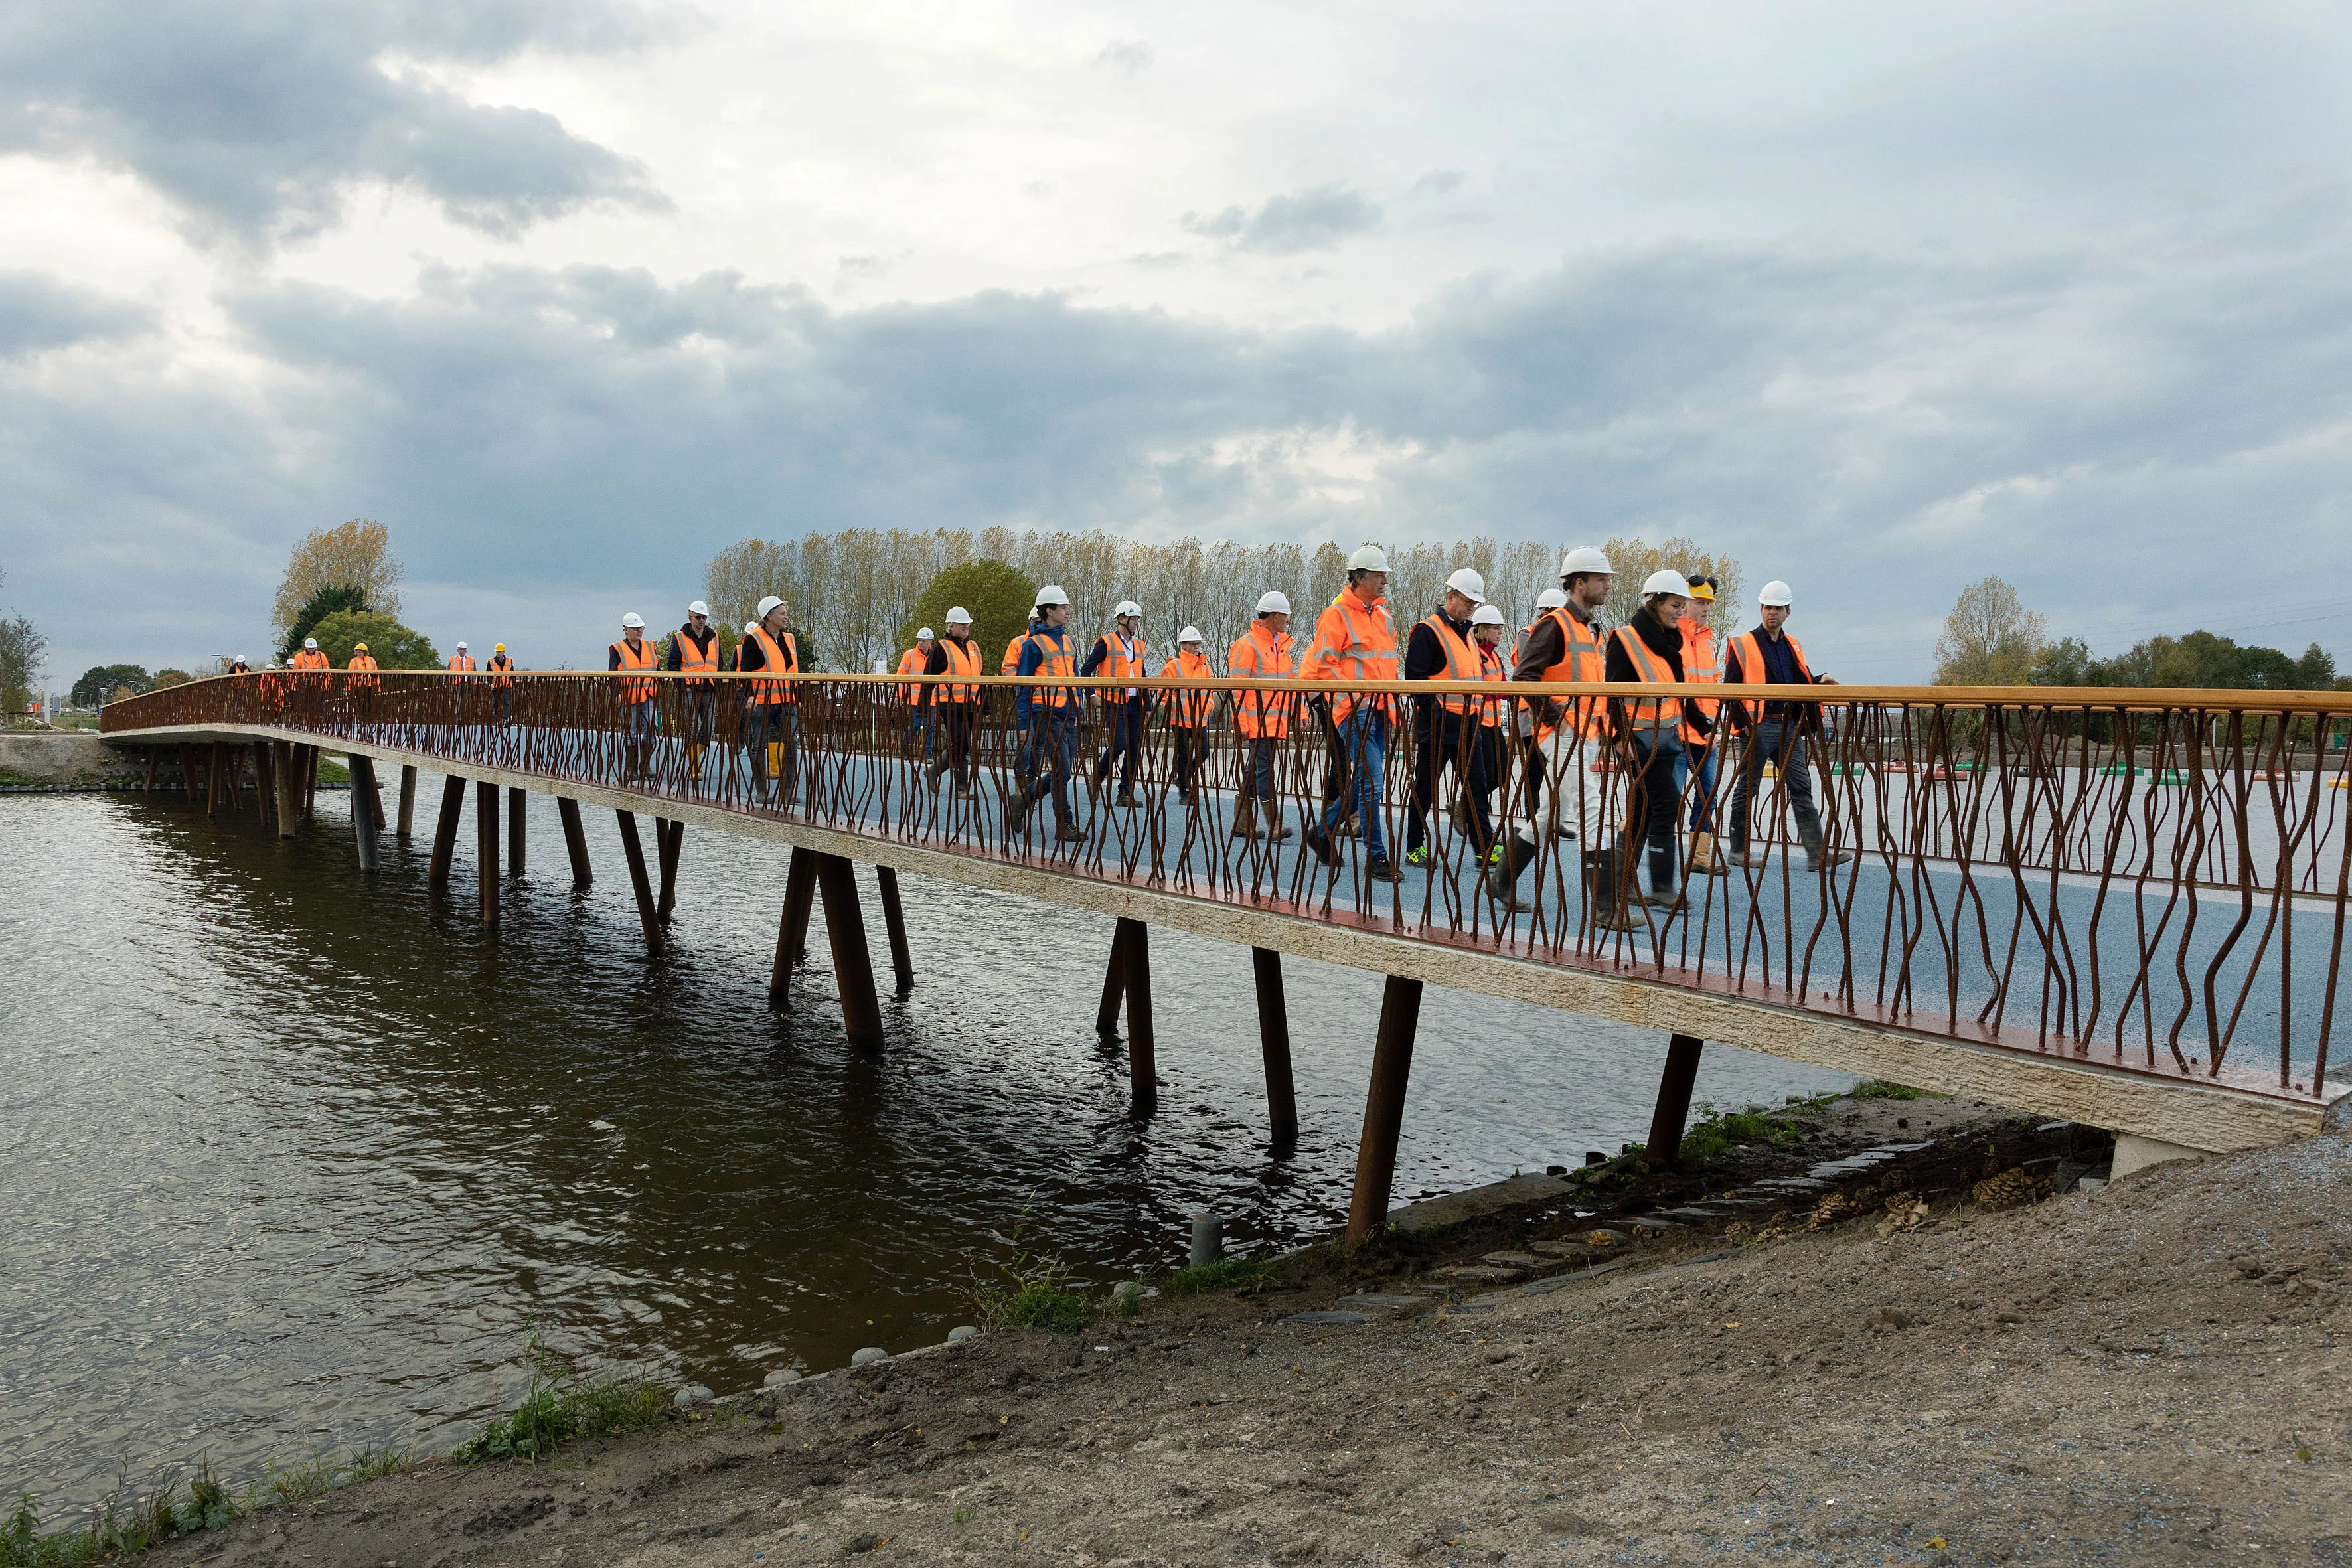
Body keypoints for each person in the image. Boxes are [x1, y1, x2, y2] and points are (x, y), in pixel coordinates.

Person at [1721, 580, 1853, 873]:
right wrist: (1741, 726)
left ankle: (1817, 855)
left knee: (1802, 787)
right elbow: (1730, 690)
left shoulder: (1792, 645)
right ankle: (1738, 852)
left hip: (1789, 728)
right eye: (1768, 607)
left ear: (1787, 612)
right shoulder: (1742, 644)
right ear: (1761, 609)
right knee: (1747, 789)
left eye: (1778, 608)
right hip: (1757, 727)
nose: (1772, 613)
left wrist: (1819, 680)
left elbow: (1798, 683)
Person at [1606, 570, 1712, 916]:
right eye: (1675, 605)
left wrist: (1704, 726)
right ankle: (1663, 889)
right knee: (1666, 803)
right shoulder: (1626, 639)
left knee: (1644, 811)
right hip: (1636, 742)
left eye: (1684, 606)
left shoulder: (1670, 645)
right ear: (1655, 602)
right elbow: (1613, 697)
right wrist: (1618, 739)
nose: (1680, 612)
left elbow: (1680, 696)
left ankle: (1624, 885)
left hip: (1666, 741)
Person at [1299, 544, 1401, 882]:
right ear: (1359, 578)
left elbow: (1387, 665)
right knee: (1373, 782)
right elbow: (1323, 665)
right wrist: (1355, 698)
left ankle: (1322, 830)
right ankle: (1377, 856)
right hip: (1354, 710)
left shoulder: (1384, 616)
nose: (1386, 580)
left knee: (1363, 782)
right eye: (1379, 574)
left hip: (1382, 709)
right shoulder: (1336, 614)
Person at [1510, 548, 1614, 848]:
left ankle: (1503, 881)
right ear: (1580, 584)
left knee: (1550, 813)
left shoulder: (1588, 627)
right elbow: (1524, 678)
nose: (1608, 585)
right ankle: (1602, 892)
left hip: (1583, 732)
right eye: (1602, 579)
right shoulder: (1554, 625)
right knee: (1590, 805)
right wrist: (1559, 722)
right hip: (1564, 732)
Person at [1401, 567, 1496, 871]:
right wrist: (1433, 717)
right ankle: (1415, 848)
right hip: (1439, 727)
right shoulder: (1427, 631)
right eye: (1467, 600)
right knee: (1425, 790)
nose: (1471, 607)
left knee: (1477, 789)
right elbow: (1417, 681)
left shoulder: (1467, 633)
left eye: (1474, 603)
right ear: (1451, 596)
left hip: (1469, 725)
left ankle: (1484, 848)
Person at [1008, 585, 1086, 843]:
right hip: (1046, 714)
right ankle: (1066, 824)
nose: (1068, 612)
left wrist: (1079, 711)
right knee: (1062, 770)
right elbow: (1022, 686)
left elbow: (1074, 678)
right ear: (1049, 611)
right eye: (1063, 608)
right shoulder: (1032, 645)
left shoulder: (1069, 642)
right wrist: (1022, 723)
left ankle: (1025, 798)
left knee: (1064, 772)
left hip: (1068, 715)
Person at [1226, 591, 1296, 842]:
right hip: (1258, 723)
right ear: (1275, 616)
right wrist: (1242, 723)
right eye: (1285, 616)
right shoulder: (1247, 644)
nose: (1288, 621)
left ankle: (1241, 823)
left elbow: (1290, 684)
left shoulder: (1280, 647)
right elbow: (1238, 688)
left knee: (1254, 772)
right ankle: (1274, 824)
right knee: (1264, 771)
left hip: (1275, 722)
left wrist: (1302, 712)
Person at [1676, 576, 1727, 874]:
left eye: (1709, 602)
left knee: (1708, 793)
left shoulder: (1707, 640)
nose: (1706, 608)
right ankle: (1628, 837)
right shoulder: (1672, 637)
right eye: (1700, 602)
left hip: (1705, 733)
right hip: (1677, 730)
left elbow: (1713, 686)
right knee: (1666, 796)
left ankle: (1699, 857)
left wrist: (1713, 724)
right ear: (1684, 605)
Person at [1082, 601, 1148, 808]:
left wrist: (1147, 706)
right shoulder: (1106, 643)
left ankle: (1124, 793)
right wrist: (1092, 695)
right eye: (1134, 619)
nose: (1137, 623)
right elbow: (1086, 670)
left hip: (1135, 704)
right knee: (1119, 744)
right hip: (1113, 703)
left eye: (1138, 619)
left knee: (1134, 748)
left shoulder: (1139, 645)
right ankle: (1098, 776)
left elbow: (1143, 676)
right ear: (1122, 619)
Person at [739, 595, 801, 802]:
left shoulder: (789, 639)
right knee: (759, 746)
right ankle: (762, 792)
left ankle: (787, 793)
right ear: (769, 616)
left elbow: (794, 670)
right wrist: (748, 696)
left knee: (791, 742)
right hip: (762, 702)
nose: (786, 617)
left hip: (786, 701)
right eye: (782, 613)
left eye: (786, 613)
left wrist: (797, 696)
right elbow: (745, 670)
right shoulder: (753, 639)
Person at [922, 607, 984, 795]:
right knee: (959, 743)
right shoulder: (941, 648)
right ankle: (961, 788)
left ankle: (934, 771)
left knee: (963, 744)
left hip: (970, 704)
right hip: (949, 705)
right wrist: (923, 709)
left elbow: (982, 678)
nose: (966, 627)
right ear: (951, 626)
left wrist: (985, 705)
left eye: (967, 624)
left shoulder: (973, 647)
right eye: (962, 624)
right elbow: (928, 678)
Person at [666, 602, 721, 781]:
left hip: (709, 689)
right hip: (690, 689)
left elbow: (718, 664)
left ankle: (694, 758)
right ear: (690, 618)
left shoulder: (714, 637)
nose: (702, 621)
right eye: (698, 617)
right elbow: (672, 665)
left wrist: (718, 685)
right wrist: (683, 687)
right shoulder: (680, 638)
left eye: (704, 617)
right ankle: (694, 767)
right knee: (693, 728)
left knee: (708, 728)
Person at [1161, 626, 1214, 805]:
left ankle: (1182, 777)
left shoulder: (1205, 665)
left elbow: (1210, 691)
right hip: (1180, 719)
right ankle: (1184, 789)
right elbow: (1164, 692)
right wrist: (1178, 706)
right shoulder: (1173, 666)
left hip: (1200, 718)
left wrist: (1209, 707)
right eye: (1192, 644)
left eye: (1198, 644)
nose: (1196, 647)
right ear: (1183, 645)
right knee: (1183, 754)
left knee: (1203, 753)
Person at [610, 612, 657, 777]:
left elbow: (656, 670)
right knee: (630, 732)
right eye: (636, 628)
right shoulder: (618, 649)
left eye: (641, 628)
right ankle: (631, 768)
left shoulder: (650, 647)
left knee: (650, 729)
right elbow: (613, 675)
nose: (639, 631)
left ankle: (645, 766)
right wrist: (617, 695)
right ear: (626, 630)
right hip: (629, 697)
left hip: (648, 694)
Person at [896, 627, 937, 759]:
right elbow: (900, 676)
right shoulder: (910, 655)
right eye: (919, 640)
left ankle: (927, 754)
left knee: (929, 727)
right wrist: (899, 695)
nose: (921, 643)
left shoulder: (935, 656)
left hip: (930, 699)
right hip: (915, 699)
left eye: (924, 641)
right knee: (916, 724)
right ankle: (904, 750)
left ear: (931, 641)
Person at [487, 642, 516, 724]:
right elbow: (488, 674)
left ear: (503, 652)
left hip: (506, 686)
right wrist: (490, 684)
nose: (497, 653)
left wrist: (513, 684)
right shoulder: (491, 661)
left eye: (499, 652)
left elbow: (512, 673)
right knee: (496, 703)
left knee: (506, 703)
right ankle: (498, 719)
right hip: (496, 686)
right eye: (497, 652)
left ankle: (506, 719)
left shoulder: (509, 660)